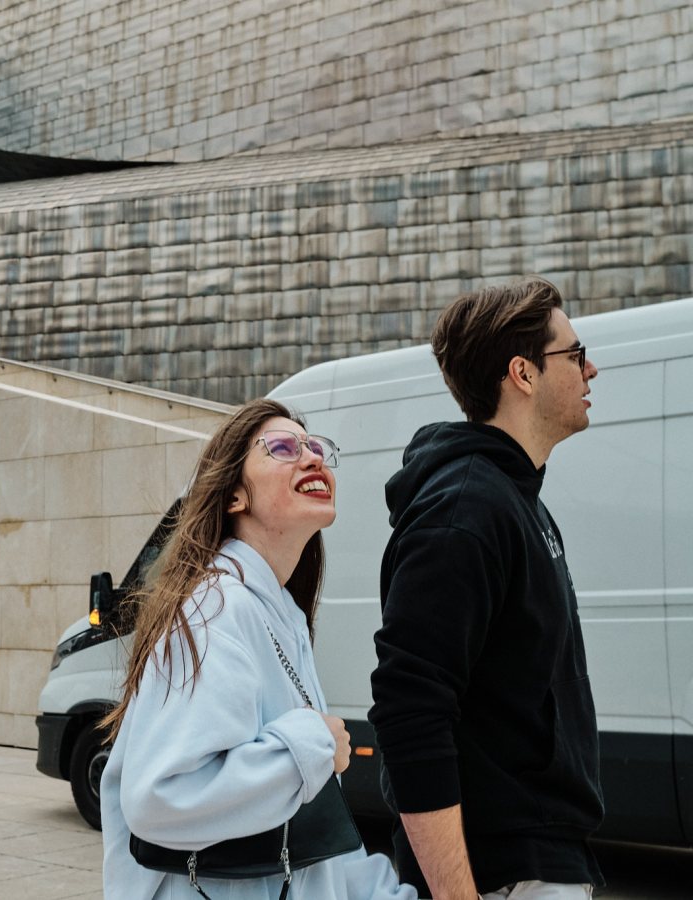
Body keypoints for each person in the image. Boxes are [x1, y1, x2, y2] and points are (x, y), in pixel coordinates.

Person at [100, 398, 417, 900]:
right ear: (233, 497)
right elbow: (160, 796)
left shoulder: (277, 613)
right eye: (284, 448)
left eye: (315, 447)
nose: (312, 458)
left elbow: (317, 828)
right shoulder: (214, 609)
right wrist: (308, 747)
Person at [369, 278, 604, 900]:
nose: (592, 369)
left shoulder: (514, 500)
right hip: (502, 875)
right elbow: (409, 715)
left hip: (539, 860)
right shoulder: (465, 511)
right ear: (522, 373)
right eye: (575, 355)